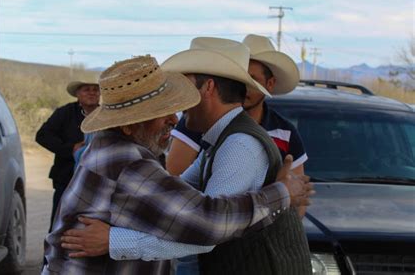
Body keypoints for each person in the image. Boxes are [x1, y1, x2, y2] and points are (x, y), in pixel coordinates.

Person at [60, 39, 312, 275]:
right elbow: (200, 218)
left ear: (208, 88)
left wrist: (113, 241)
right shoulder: (131, 159)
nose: (176, 112)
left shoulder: (239, 144)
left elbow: (203, 229)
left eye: (184, 88)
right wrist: (281, 194)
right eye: (163, 107)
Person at [167, 34, 308, 218]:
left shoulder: (240, 144)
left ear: (209, 87)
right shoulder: (218, 133)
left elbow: (209, 224)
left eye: (189, 86)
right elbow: (178, 190)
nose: (182, 99)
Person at [35, 78, 99, 231]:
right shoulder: (65, 113)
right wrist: (70, 149)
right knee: (60, 223)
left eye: (95, 90)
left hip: (97, 181)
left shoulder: (107, 115)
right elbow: (42, 135)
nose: (91, 93)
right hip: (66, 177)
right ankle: (53, 254)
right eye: (86, 89)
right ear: (78, 94)